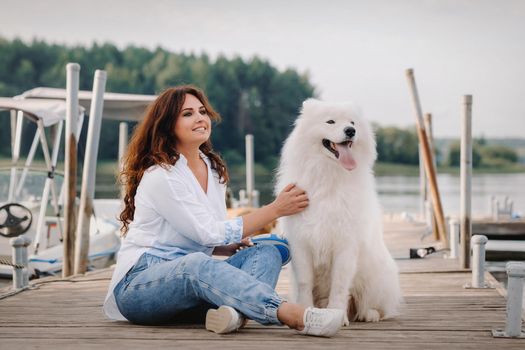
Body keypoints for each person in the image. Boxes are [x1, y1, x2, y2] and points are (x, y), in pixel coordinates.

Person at [102, 85, 344, 337]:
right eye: (187, 114)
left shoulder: (213, 169)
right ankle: (293, 315)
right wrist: (275, 209)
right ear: (166, 125)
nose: (199, 118)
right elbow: (206, 234)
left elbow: (203, 232)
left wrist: (223, 248)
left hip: (192, 291)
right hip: (140, 287)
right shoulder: (161, 175)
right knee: (195, 263)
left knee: (267, 252)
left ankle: (233, 314)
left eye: (202, 111)